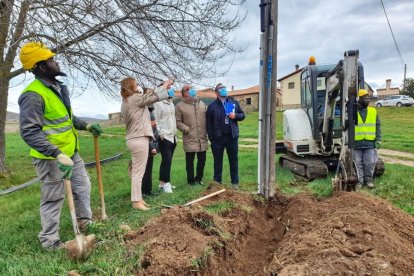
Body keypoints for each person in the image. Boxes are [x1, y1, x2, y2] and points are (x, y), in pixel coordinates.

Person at [18, 42, 103, 251]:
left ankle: (85, 222)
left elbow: (68, 117)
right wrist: (57, 154)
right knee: (53, 198)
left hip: (71, 153)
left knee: (83, 187)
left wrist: (86, 125)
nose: (56, 62)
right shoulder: (33, 94)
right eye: (51, 60)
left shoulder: (57, 88)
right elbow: (29, 131)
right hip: (50, 158)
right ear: (41, 66)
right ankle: (49, 241)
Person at [121, 78, 173, 210]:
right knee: (138, 173)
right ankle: (136, 202)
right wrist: (165, 86)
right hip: (139, 138)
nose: (139, 86)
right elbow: (153, 98)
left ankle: (139, 198)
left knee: (137, 171)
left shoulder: (127, 100)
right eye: (136, 84)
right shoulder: (134, 99)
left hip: (134, 138)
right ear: (131, 86)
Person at [206, 83, 245, 189]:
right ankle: (217, 183)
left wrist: (235, 115)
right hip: (218, 139)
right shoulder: (212, 106)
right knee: (218, 161)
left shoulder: (233, 102)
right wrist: (211, 138)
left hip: (232, 137)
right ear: (216, 92)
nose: (223, 90)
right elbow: (208, 124)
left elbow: (242, 115)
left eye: (224, 88)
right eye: (221, 88)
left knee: (233, 161)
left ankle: (235, 183)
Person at [175, 85, 208, 185]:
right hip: (189, 136)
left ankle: (199, 178)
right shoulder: (179, 106)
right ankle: (190, 181)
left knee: (202, 160)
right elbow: (177, 121)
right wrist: (186, 129)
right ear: (184, 93)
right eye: (188, 90)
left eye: (192, 89)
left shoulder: (202, 104)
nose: (192, 91)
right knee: (190, 161)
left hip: (202, 136)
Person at [353, 89, 382, 189]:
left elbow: (378, 125)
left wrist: (378, 139)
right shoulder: (353, 111)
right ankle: (359, 182)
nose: (367, 100)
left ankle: (369, 180)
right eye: (365, 98)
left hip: (370, 143)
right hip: (356, 143)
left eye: (368, 98)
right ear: (359, 99)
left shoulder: (373, 111)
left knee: (369, 163)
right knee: (358, 164)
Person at [153, 85, 177, 193]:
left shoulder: (171, 102)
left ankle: (162, 184)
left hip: (173, 136)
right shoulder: (158, 104)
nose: (171, 89)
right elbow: (155, 120)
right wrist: (160, 133)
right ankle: (166, 184)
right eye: (169, 88)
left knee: (168, 161)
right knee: (166, 160)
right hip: (164, 136)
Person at [142, 88, 159, 196]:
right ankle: (143, 192)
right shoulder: (143, 111)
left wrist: (155, 146)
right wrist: (151, 146)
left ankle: (148, 191)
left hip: (152, 143)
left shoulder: (151, 110)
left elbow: (154, 130)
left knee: (149, 169)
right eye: (149, 94)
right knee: (144, 170)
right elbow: (145, 131)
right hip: (146, 145)